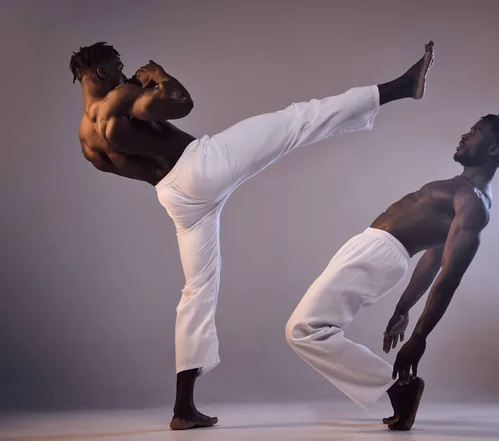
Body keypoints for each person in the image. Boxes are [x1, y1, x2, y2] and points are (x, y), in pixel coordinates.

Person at [70, 40, 435, 430]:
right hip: (201, 166)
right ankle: (402, 86)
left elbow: (133, 159)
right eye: (119, 67)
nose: (126, 74)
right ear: (101, 73)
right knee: (297, 121)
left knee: (197, 291)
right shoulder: (120, 96)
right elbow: (181, 102)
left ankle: (183, 409)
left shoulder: (86, 141)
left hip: (175, 198)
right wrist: (157, 74)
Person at [285, 111, 499, 430]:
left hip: (380, 250)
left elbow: (449, 276)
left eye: (476, 133)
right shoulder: (462, 190)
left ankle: (398, 386)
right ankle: (395, 387)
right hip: (373, 248)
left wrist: (419, 339)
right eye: (469, 129)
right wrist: (403, 309)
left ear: (494, 149)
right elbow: (432, 258)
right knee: (308, 328)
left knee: (304, 329)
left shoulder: (472, 201)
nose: (465, 135)